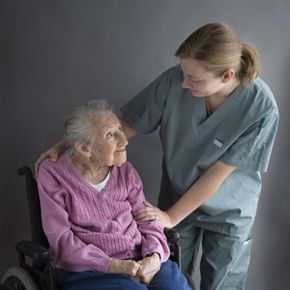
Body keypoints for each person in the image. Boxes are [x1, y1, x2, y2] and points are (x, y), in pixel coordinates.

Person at [36, 22, 279, 290]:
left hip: (228, 208)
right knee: (172, 270)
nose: (184, 83)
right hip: (176, 194)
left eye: (194, 79)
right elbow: (122, 125)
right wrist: (71, 143)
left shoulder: (261, 107)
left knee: (222, 284)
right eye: (183, 73)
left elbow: (216, 173)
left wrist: (171, 218)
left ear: (226, 75)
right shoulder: (176, 79)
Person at [37, 100, 191, 290]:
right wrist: (114, 265)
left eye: (120, 129)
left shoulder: (125, 171)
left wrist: (154, 256)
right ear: (85, 148)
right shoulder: (54, 174)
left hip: (140, 257)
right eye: (111, 135)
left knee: (176, 287)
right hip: (88, 270)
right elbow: (61, 240)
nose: (124, 140)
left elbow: (146, 220)